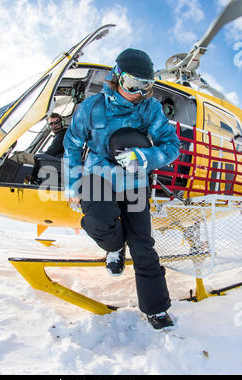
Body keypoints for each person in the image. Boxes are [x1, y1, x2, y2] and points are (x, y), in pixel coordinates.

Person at [63, 48, 180, 330]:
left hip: (135, 182)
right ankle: (114, 248)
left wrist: (145, 158)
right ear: (117, 77)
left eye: (145, 86)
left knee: (143, 245)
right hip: (97, 176)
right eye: (132, 84)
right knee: (98, 221)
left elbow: (172, 146)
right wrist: (72, 182)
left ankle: (156, 309)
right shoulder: (93, 107)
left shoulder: (149, 110)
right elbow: (72, 143)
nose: (137, 92)